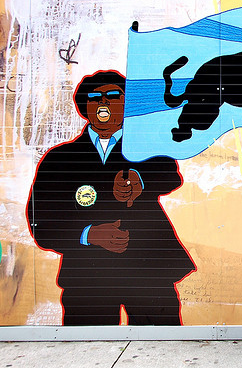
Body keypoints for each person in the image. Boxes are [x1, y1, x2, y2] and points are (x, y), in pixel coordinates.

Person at [27, 70, 195, 325]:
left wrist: (140, 181)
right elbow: (41, 220)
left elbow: (170, 175)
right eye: (95, 98)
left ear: (126, 103)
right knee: (89, 343)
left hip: (149, 272)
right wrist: (89, 234)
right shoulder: (60, 158)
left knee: (161, 340)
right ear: (85, 106)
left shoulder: (144, 146)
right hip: (87, 278)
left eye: (113, 95)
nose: (103, 103)